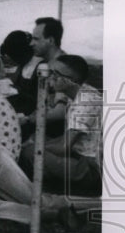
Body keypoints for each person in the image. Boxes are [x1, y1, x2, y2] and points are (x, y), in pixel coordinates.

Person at [23, 54, 102, 194]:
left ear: (70, 80)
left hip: (91, 168)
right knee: (36, 140)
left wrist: (35, 145)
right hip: (79, 157)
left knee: (30, 152)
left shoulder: (85, 102)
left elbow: (64, 147)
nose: (49, 78)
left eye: (54, 74)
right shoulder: (80, 94)